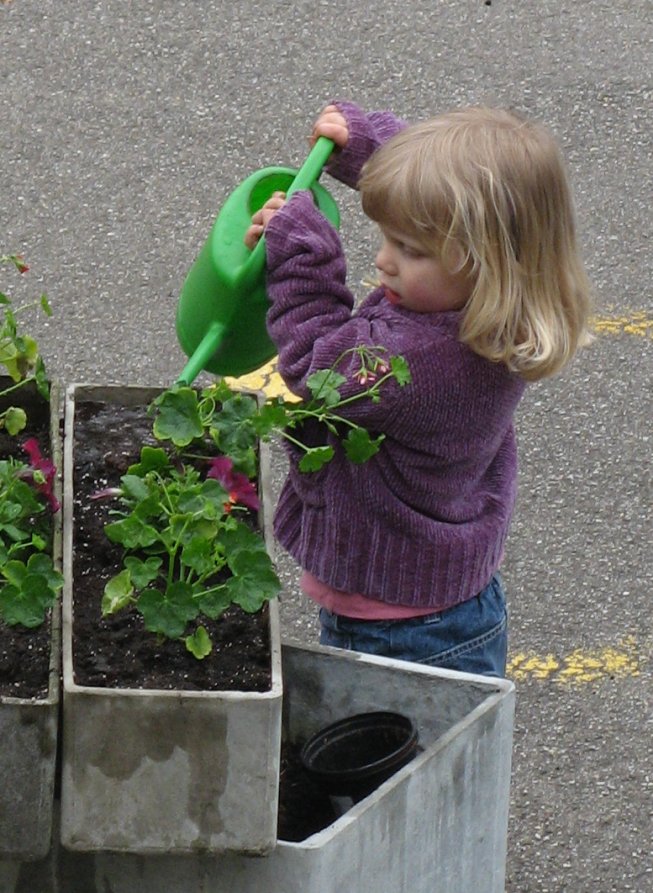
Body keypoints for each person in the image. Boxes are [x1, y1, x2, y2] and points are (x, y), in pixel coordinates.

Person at [244, 100, 592, 677]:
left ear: (488, 259)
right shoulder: (481, 309)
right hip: (430, 605)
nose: (383, 261)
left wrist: (303, 260)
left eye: (410, 249)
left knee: (395, 766)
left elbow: (318, 367)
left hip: (405, 638)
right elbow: (453, 189)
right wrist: (369, 146)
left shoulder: (427, 359)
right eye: (388, 238)